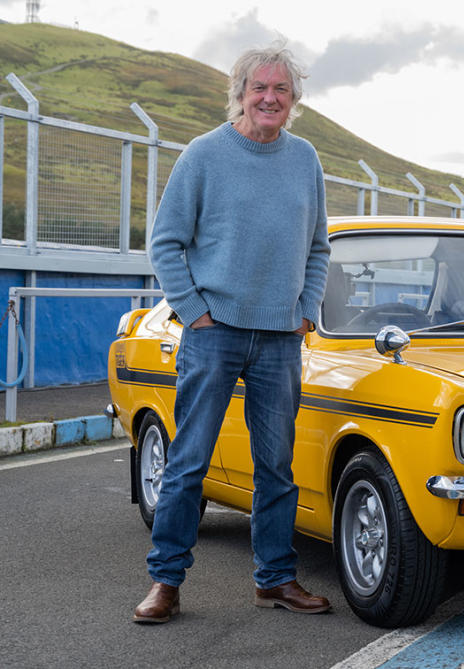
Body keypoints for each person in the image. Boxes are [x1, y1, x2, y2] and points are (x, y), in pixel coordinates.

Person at [132, 43, 332, 624]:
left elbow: (318, 246)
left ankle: (275, 580)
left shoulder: (306, 159)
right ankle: (164, 582)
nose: (270, 98)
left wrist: (307, 311)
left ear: (293, 101)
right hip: (212, 333)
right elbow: (165, 242)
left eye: (282, 90)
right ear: (241, 92)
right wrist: (194, 311)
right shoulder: (204, 155)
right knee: (189, 461)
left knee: (277, 467)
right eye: (260, 87)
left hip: (279, 340)